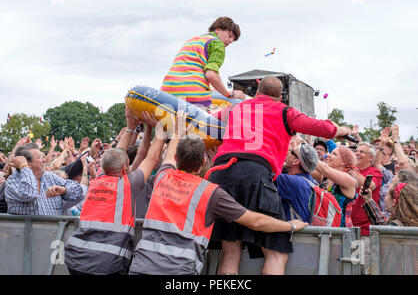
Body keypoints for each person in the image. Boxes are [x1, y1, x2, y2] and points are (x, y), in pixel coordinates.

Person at [128, 111, 308, 275]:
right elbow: (255, 221)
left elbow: (154, 157)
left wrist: (164, 126)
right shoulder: (210, 193)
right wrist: (290, 226)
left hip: (140, 267)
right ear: (204, 161)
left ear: (176, 159)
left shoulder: (162, 176)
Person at [207, 76, 351, 275]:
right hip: (254, 173)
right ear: (280, 97)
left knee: (230, 251)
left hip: (220, 174)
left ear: (258, 92)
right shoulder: (285, 112)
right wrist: (342, 130)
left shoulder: (235, 109)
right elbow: (322, 128)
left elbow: (207, 120)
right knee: (276, 253)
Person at [64, 108, 166, 275]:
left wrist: (130, 127)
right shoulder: (128, 183)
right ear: (126, 168)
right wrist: (158, 129)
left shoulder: (97, 178)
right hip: (107, 263)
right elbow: (151, 158)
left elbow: (117, 153)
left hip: (76, 257)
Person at [161, 16, 245, 107]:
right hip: (192, 97)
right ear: (217, 30)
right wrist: (229, 94)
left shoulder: (192, 40)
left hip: (167, 93)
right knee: (235, 103)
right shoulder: (217, 44)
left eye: (233, 39)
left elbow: (189, 78)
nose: (231, 41)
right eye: (229, 36)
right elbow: (211, 75)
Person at [5, 143, 83, 215]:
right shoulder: (13, 181)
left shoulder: (49, 177)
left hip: (55, 230)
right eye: (40, 157)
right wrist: (25, 168)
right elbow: (29, 194)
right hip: (28, 230)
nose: (44, 160)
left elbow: (79, 192)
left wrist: (64, 190)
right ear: (28, 163)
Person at [348, 142, 382, 274]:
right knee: (350, 266)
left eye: (362, 152)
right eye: (356, 151)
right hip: (348, 229)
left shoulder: (375, 172)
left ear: (371, 158)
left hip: (365, 231)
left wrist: (354, 173)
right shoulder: (349, 170)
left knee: (363, 269)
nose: (357, 153)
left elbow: (371, 186)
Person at [275, 142, 319, 223]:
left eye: (291, 152)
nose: (288, 153)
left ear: (296, 161)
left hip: (292, 235)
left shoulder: (293, 183)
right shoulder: (309, 181)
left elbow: (266, 173)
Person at [315, 146, 357, 227]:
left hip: (341, 232)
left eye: (334, 154)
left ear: (344, 162)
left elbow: (324, 169)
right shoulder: (325, 177)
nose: (328, 155)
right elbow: (308, 167)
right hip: (323, 226)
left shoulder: (349, 179)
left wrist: (307, 150)